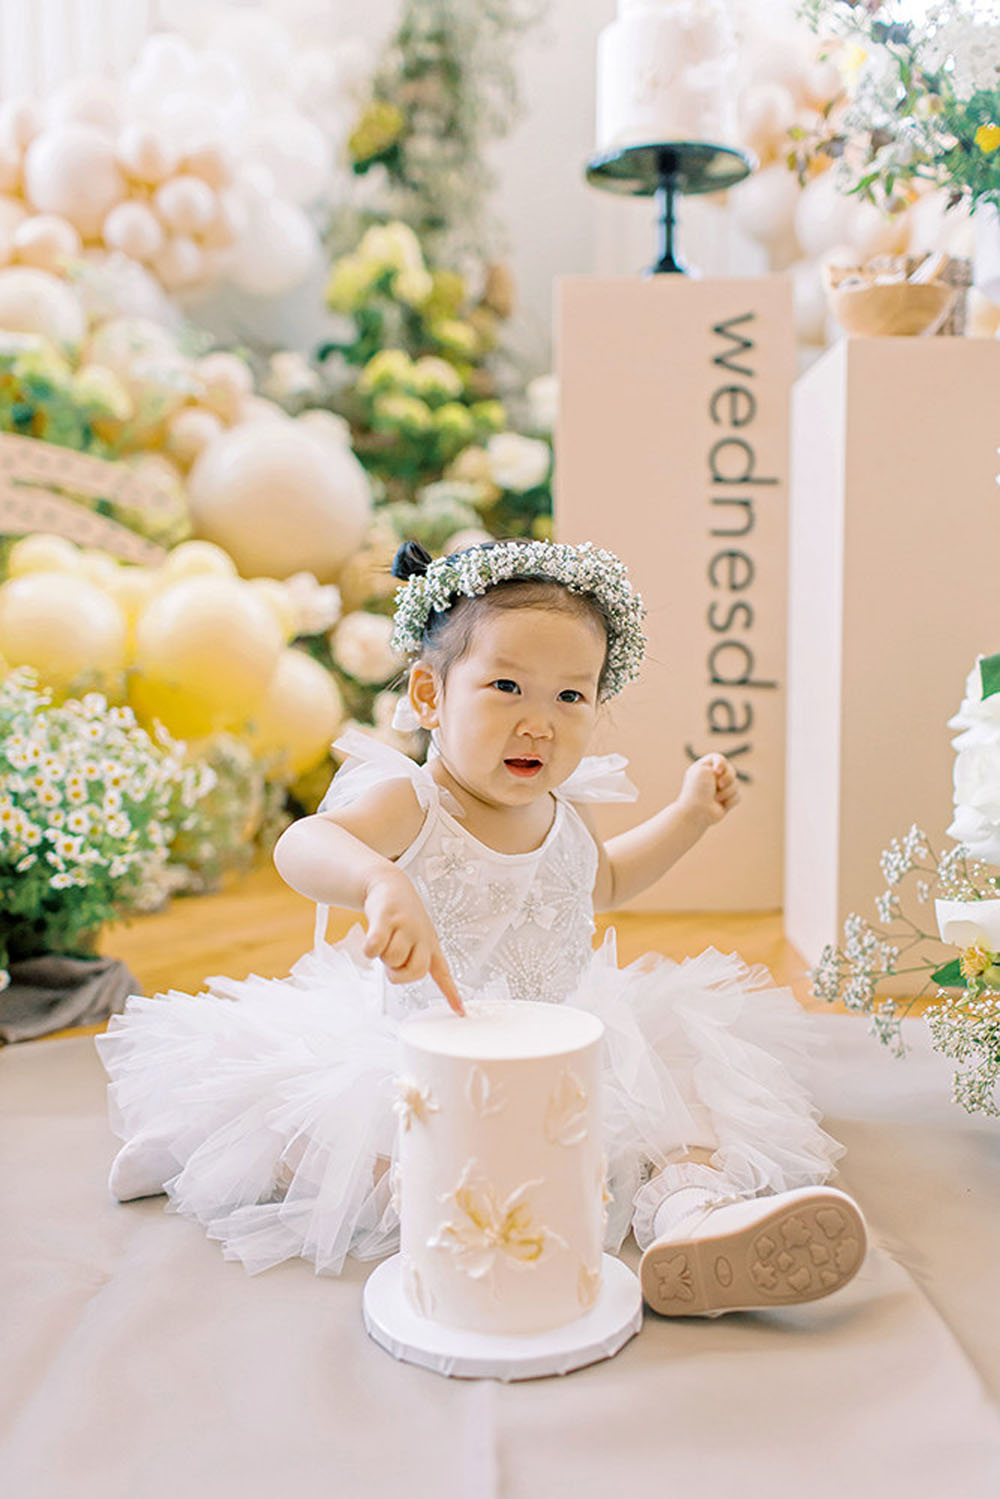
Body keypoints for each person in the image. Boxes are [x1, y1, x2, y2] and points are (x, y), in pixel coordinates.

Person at [99, 538, 866, 1315]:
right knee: (376, 1157)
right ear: (430, 696)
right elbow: (302, 844)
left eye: (572, 696)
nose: (540, 723)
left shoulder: (568, 811)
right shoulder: (416, 803)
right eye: (507, 687)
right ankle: (205, 1143)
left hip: (565, 1038)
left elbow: (601, 883)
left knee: (676, 1108)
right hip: (429, 1052)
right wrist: (379, 877)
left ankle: (694, 1222)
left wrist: (689, 816)